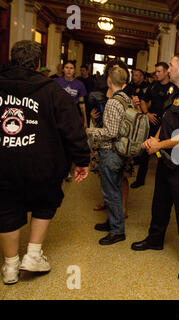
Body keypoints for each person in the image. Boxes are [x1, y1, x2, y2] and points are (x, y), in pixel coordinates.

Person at [0, 40, 90, 285]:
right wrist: (82, 160)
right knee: (45, 201)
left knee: (6, 208)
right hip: (42, 164)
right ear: (38, 64)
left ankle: (10, 266)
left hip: (3, 164)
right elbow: (73, 130)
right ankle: (33, 254)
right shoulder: (53, 92)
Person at [131, 53, 179, 281]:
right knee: (159, 204)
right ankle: (155, 240)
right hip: (166, 158)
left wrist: (158, 145)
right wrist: (155, 141)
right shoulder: (177, 94)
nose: (168, 69)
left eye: (171, 65)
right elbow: (166, 123)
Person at [87, 66, 131, 246]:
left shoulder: (113, 102)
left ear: (108, 81)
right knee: (116, 189)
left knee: (110, 192)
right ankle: (113, 222)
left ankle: (117, 231)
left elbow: (111, 132)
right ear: (125, 82)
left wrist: (91, 131)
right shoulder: (126, 99)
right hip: (121, 149)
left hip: (111, 150)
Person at [130, 62, 178, 188]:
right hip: (153, 122)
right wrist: (147, 113)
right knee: (145, 151)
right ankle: (140, 180)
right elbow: (143, 101)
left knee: (165, 154)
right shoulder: (153, 86)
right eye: (155, 71)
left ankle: (165, 183)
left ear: (167, 71)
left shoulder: (174, 87)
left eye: (159, 71)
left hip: (167, 125)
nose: (156, 74)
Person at [55, 60, 88, 129]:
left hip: (73, 113)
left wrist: (85, 120)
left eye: (71, 68)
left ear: (75, 71)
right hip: (59, 112)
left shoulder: (79, 84)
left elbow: (82, 104)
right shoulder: (56, 82)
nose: (69, 70)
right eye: (66, 68)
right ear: (63, 70)